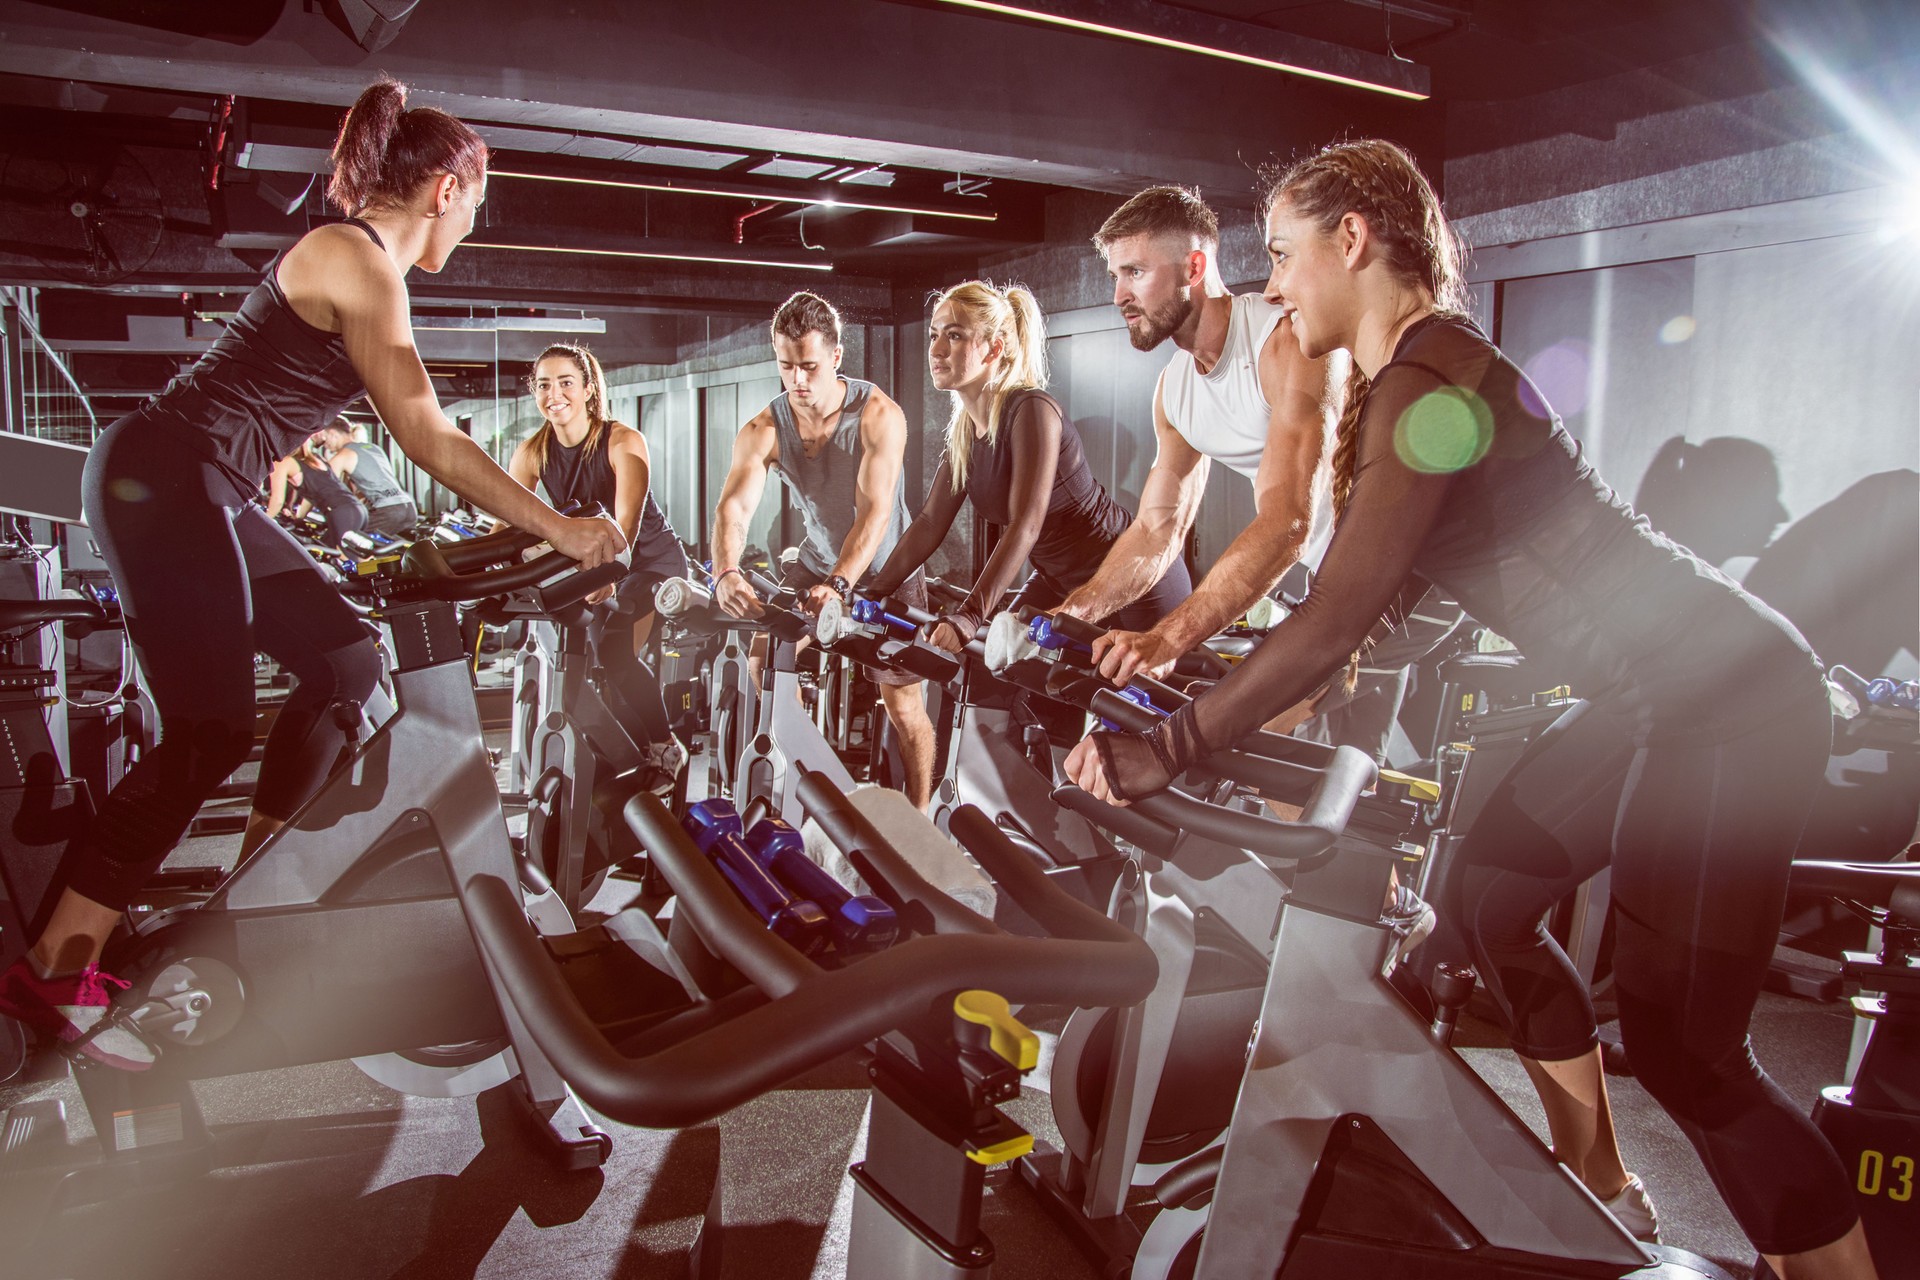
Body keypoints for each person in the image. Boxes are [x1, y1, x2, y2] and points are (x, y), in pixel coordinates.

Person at [1065, 139, 1876, 1279]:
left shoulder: (1433, 380)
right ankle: (1596, 1173)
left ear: (1353, 241)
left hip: (1730, 705)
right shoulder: (1413, 378)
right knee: (1485, 895)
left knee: (1689, 1055)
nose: (1280, 286)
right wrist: (1219, 694)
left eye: (1288, 255)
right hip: (1655, 701)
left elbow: (1342, 609)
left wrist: (1172, 745)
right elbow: (1372, 614)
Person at [0, 77, 625, 1073]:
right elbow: (420, 430)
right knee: (205, 730)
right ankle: (52, 959)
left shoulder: (362, 262)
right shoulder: (362, 258)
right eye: (478, 197)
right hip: (164, 476)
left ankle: (253, 895)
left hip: (203, 479)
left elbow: (279, 375)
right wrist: (559, 525)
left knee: (345, 661)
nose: (475, 217)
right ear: (445, 191)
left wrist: (276, 448)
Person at [866, 280, 1190, 649]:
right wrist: (872, 592)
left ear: (994, 349)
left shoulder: (1031, 409)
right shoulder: (965, 434)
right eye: (934, 335)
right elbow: (929, 523)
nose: (937, 350)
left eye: (954, 336)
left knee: (1134, 701)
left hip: (1133, 578)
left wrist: (971, 615)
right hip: (1060, 580)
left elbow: (1026, 524)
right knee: (1005, 672)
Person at [710, 291, 935, 810]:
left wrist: (839, 586)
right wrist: (725, 571)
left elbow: (874, 513)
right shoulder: (764, 428)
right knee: (764, 663)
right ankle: (811, 783)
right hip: (817, 562)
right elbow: (733, 509)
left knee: (902, 707)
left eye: (809, 366)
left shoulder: (879, 414)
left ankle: (920, 817)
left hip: (886, 571)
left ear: (836, 356)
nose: (798, 381)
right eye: (786, 366)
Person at [507, 341, 691, 763]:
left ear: (589, 389)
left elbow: (623, 527)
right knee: (591, 662)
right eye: (543, 385)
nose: (554, 395)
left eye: (566, 383)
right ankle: (614, 753)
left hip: (648, 565)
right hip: (593, 565)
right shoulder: (533, 451)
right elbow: (507, 521)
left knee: (614, 654)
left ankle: (665, 747)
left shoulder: (622, 441)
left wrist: (609, 576)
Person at [264, 433, 369, 547]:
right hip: (358, 511)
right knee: (326, 553)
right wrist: (299, 518)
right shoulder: (315, 458)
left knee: (346, 558)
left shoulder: (282, 462)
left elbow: (277, 500)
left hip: (341, 512)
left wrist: (262, 522)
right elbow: (311, 496)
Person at [319, 420, 419, 537]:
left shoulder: (343, 455)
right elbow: (363, 491)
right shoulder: (374, 448)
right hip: (409, 508)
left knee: (344, 538)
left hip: (389, 511)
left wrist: (300, 516)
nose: (325, 444)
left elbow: (322, 486)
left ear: (333, 433)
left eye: (325, 438)